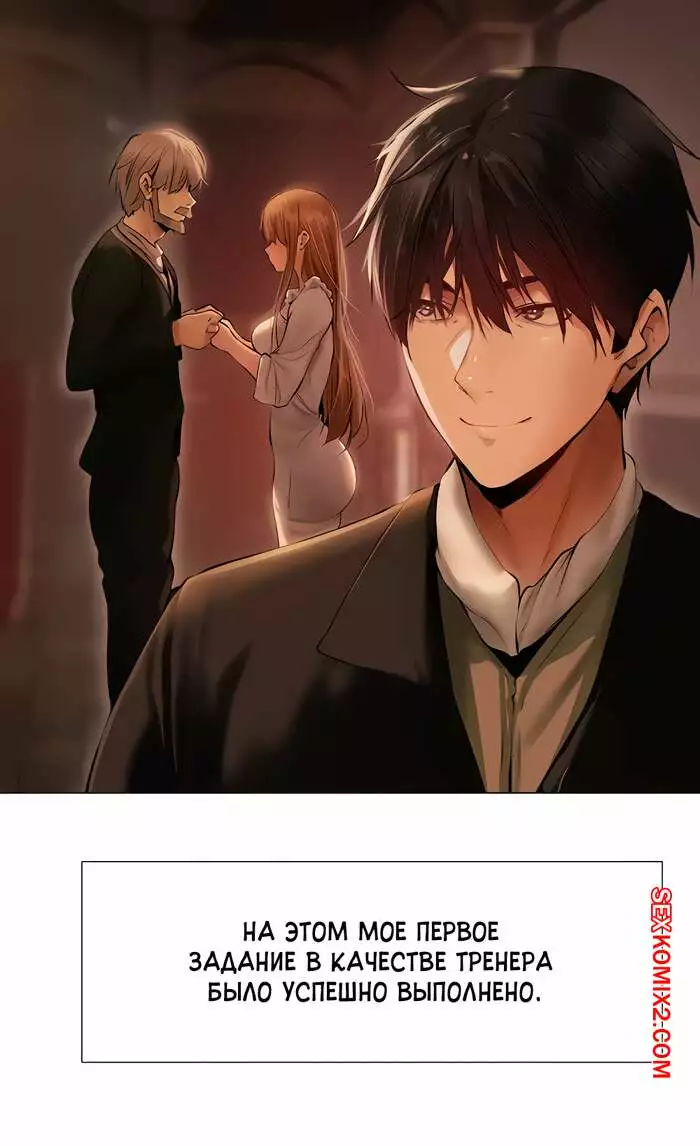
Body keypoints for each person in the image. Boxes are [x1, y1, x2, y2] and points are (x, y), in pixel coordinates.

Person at [89, 69, 699, 796]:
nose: (467, 364)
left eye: (529, 307)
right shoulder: (217, 646)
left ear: (640, 336)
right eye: (436, 306)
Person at [66, 124, 223, 708]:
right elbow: (81, 366)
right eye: (182, 190)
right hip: (125, 466)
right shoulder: (113, 259)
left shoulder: (160, 260)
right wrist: (172, 336)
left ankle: (148, 722)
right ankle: (130, 729)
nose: (191, 204)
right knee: (134, 604)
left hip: (154, 459)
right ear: (150, 185)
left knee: (151, 594)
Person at [214, 185, 371, 548]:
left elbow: (278, 384)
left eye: (275, 240)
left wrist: (229, 344)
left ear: (301, 240)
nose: (267, 249)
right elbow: (269, 347)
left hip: (308, 477)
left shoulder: (314, 304)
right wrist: (236, 338)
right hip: (302, 472)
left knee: (307, 575)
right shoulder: (304, 300)